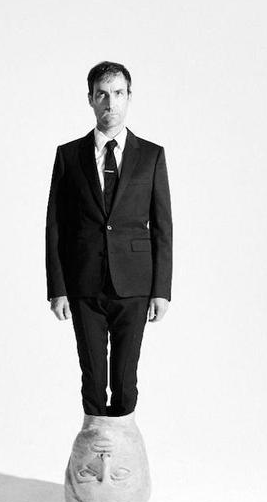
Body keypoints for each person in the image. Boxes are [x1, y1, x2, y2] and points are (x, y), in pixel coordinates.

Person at [45, 61, 173, 417]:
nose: (110, 103)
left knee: (125, 379)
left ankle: (122, 461)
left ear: (129, 97)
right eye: (102, 94)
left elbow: (163, 225)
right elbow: (55, 224)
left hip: (134, 285)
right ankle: (94, 457)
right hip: (84, 283)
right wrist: (58, 287)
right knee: (92, 379)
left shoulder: (151, 155)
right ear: (90, 99)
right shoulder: (68, 156)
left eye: (118, 94)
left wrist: (161, 289)